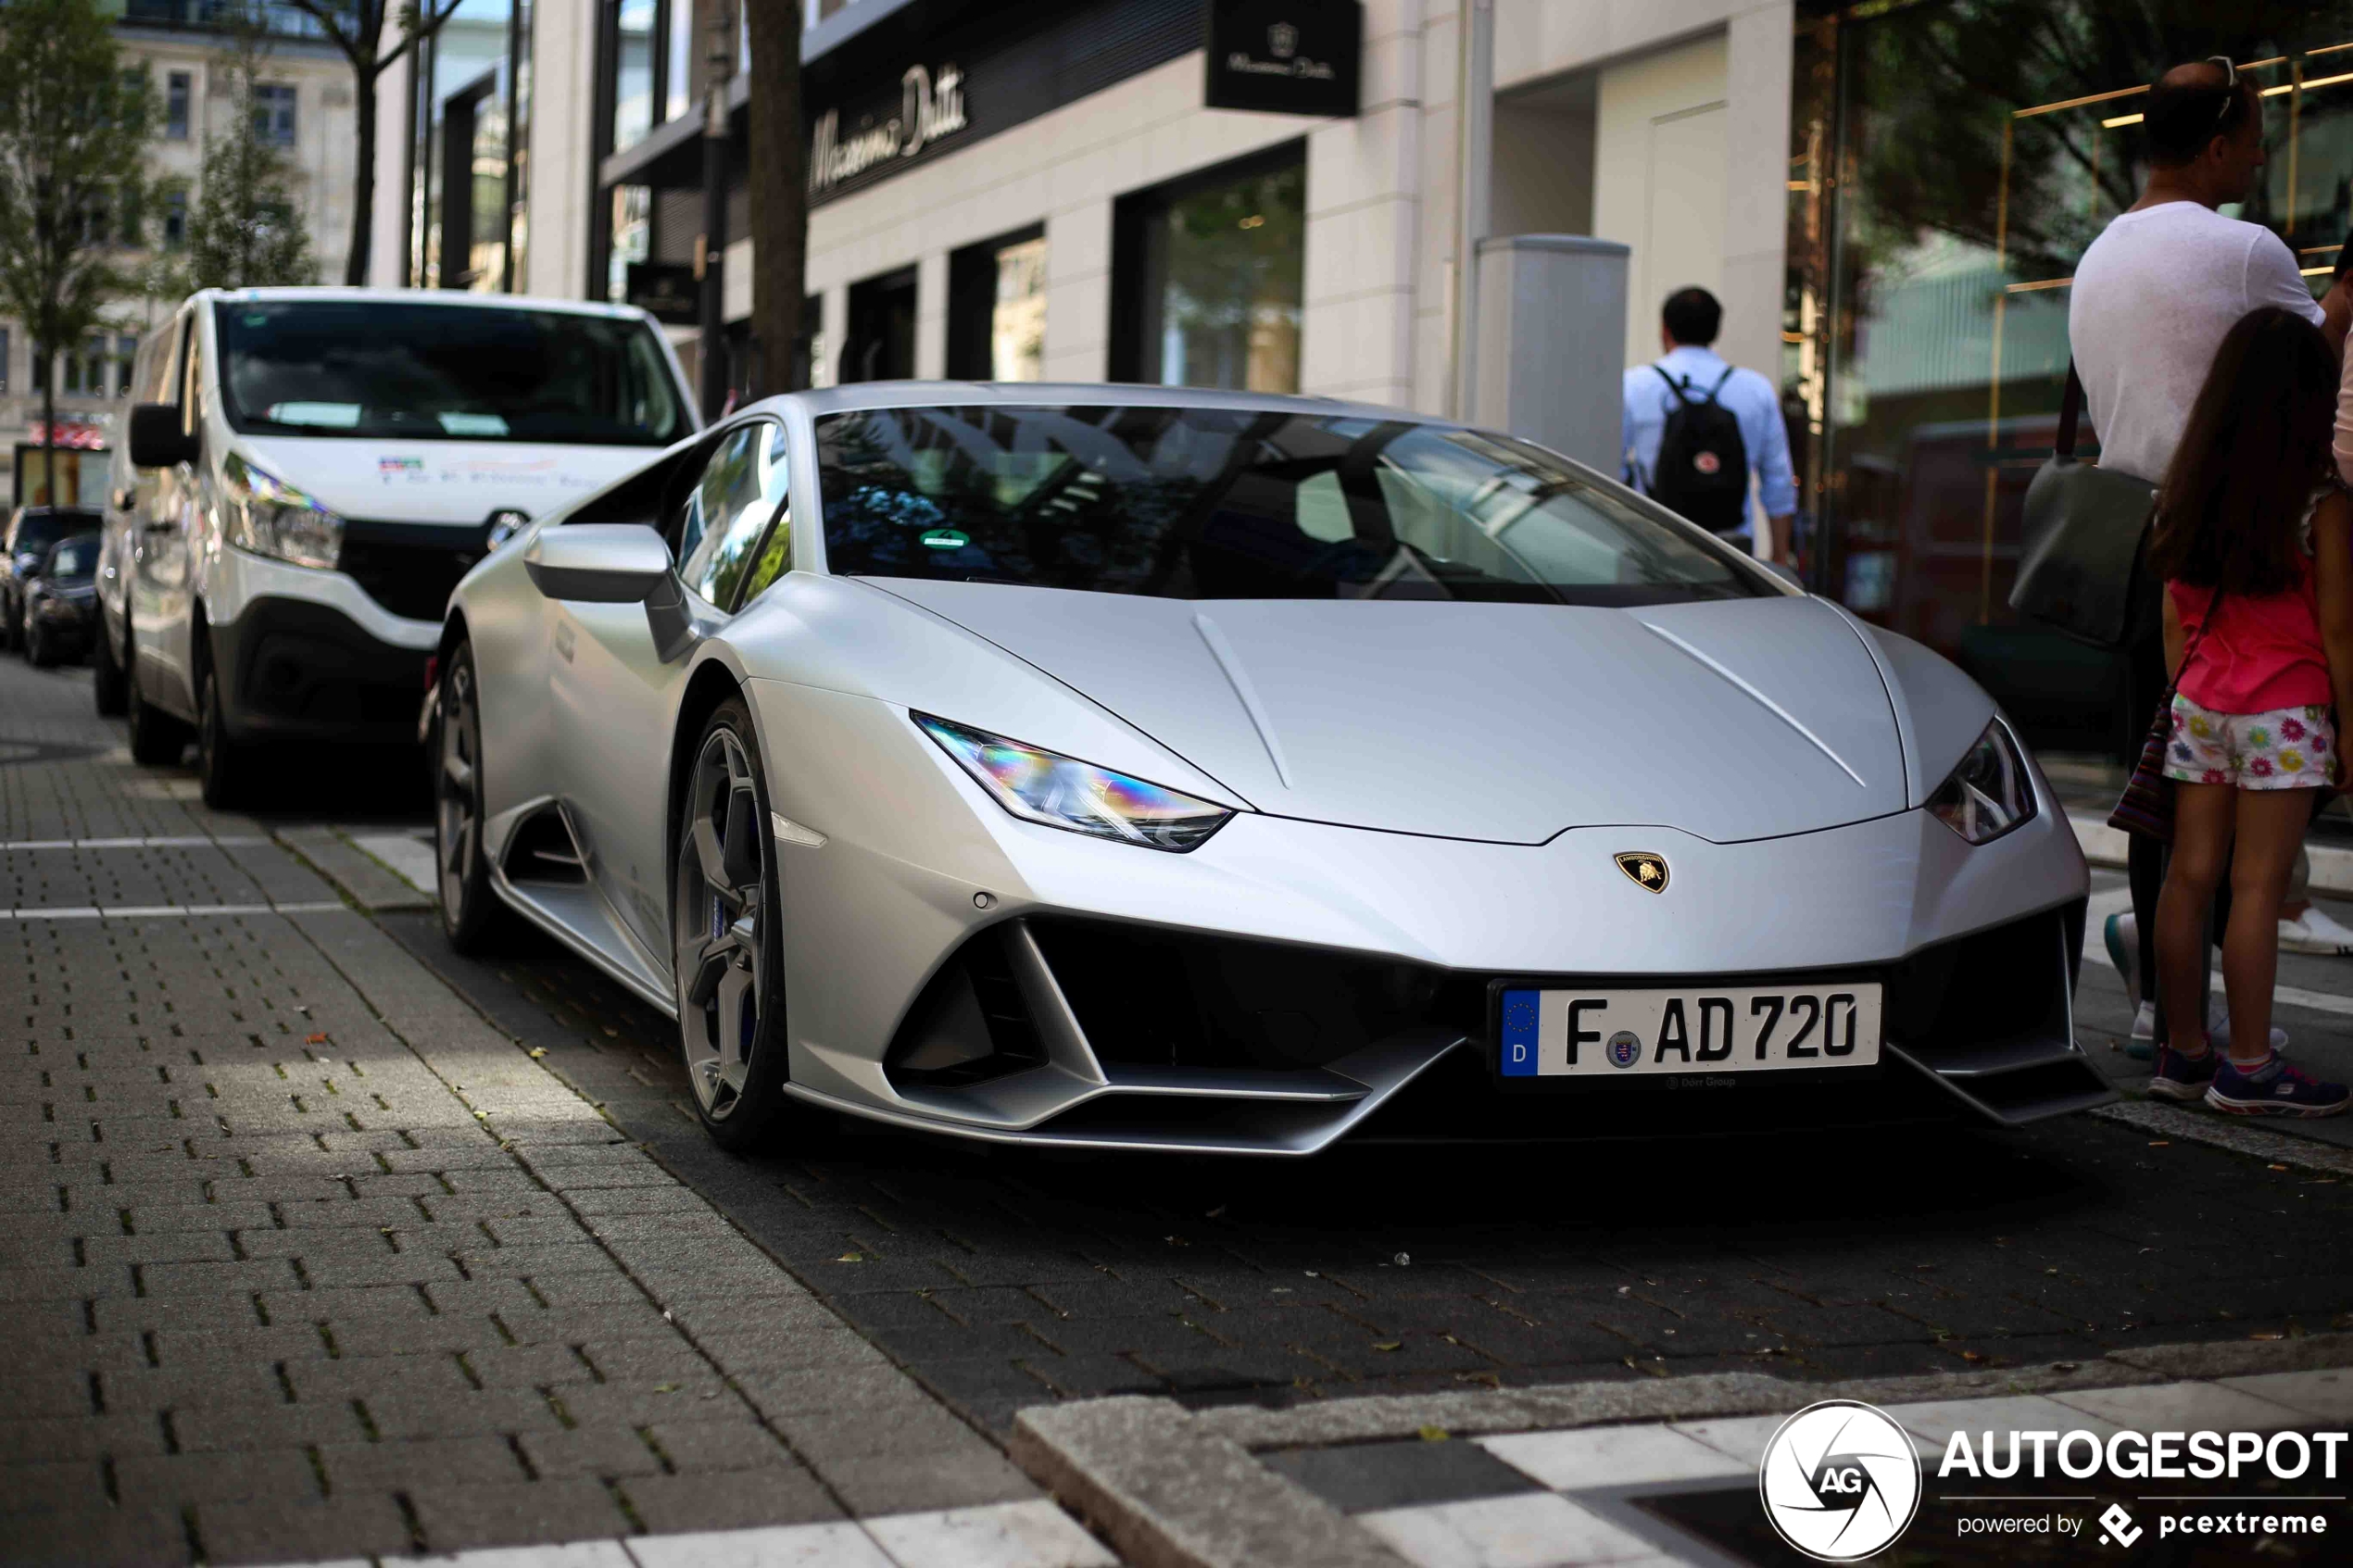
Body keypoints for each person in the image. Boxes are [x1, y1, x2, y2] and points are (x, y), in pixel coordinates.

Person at [2071, 57, 2353, 1051]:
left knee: (2162, 812)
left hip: (2147, 546)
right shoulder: (2242, 252)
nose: (2262, 153)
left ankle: (2164, 1021)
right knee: (2243, 856)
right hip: (2247, 551)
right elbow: (2299, 369)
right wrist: (2344, 293)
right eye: (2253, 135)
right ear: (2219, 143)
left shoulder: (2096, 253)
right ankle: (2237, 1047)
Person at [2144, 307, 2351, 1116]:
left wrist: (2187, 697)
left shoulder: (2185, 489)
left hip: (2200, 702)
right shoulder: (2319, 501)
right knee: (2258, 886)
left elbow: (2171, 614)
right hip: (2287, 710)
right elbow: (2338, 626)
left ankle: (2184, 1052)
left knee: (2189, 878)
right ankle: (2253, 1066)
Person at [1621, 286, 1797, 564]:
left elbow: (1610, 471)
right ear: (1717, 331)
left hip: (1653, 549)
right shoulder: (1755, 389)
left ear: (1664, 330)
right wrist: (1779, 557)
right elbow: (1779, 483)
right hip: (1732, 555)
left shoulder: (1635, 385)